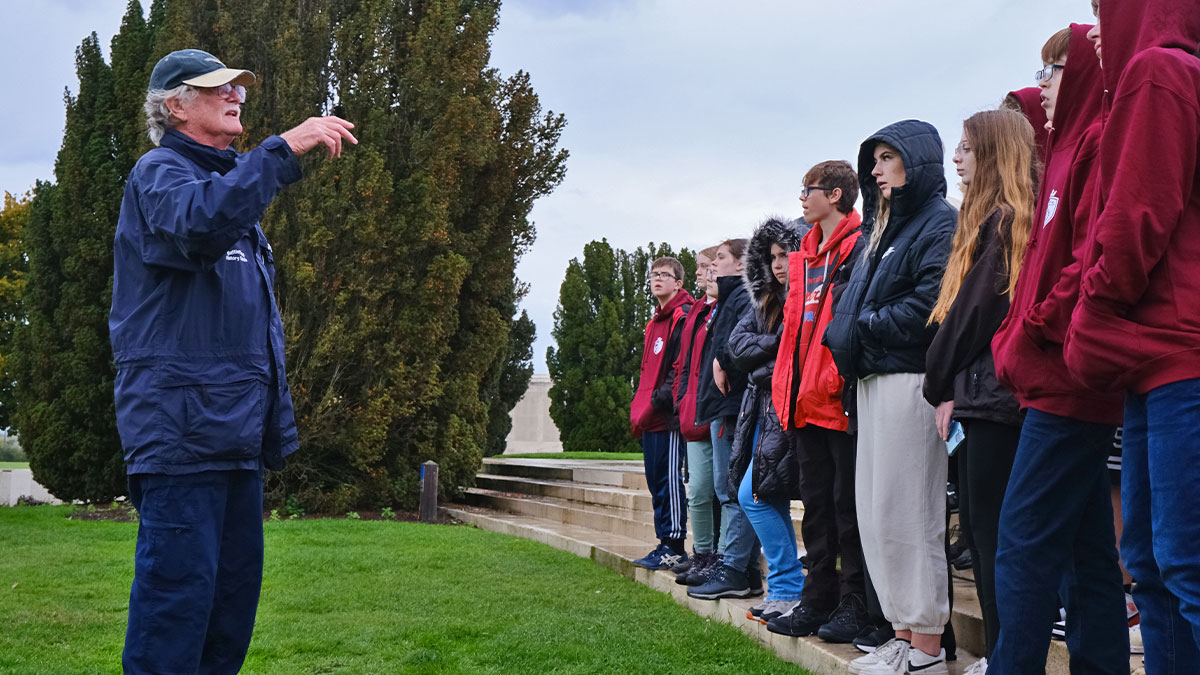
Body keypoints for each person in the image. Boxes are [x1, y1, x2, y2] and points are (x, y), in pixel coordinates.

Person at [111, 49, 357, 673]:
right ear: (175, 106)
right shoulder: (159, 173)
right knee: (175, 611)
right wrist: (282, 149)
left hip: (233, 436)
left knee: (228, 613)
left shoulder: (228, 187)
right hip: (181, 435)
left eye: (239, 86)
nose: (236, 94)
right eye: (217, 87)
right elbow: (199, 224)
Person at [989, 22, 1129, 675]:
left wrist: (1035, 327)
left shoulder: (1098, 142)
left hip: (1068, 377)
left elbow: (1089, 253)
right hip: (1052, 373)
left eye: (1051, 71)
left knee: (1022, 545)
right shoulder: (1069, 151)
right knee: (1086, 551)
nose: (1041, 84)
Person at [1064, 0, 1200, 671]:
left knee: (1185, 562)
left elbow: (1134, 217)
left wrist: (1089, 314)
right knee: (1147, 560)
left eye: (1098, 5)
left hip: (1181, 355)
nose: (1093, 25)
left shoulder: (1158, 72)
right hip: (1154, 360)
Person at [824, 120, 957, 675]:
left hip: (909, 382)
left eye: (886, 158)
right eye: (873, 160)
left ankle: (927, 644)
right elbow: (849, 304)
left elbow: (931, 302)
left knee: (909, 513)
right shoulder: (882, 229)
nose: (875, 170)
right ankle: (901, 633)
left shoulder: (939, 223)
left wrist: (863, 327)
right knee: (877, 514)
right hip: (872, 382)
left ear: (916, 162)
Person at [922, 109, 1039, 673]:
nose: (957, 158)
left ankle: (1006, 656)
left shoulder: (1004, 223)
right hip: (984, 399)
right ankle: (1003, 653)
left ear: (993, 152)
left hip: (993, 403)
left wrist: (937, 382)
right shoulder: (997, 220)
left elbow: (967, 321)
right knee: (987, 535)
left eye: (968, 147)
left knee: (992, 540)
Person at [767, 161, 871, 642]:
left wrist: (827, 384)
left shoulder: (857, 247)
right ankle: (817, 599)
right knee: (816, 510)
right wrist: (786, 390)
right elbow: (794, 334)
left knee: (846, 509)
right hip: (802, 402)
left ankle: (854, 603)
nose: (801, 198)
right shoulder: (802, 257)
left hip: (836, 402)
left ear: (835, 194)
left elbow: (843, 329)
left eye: (808, 190)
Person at [726, 217, 810, 624]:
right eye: (772, 256)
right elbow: (737, 347)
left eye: (786, 254)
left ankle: (789, 587)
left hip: (789, 412)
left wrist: (765, 364)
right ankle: (784, 588)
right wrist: (777, 345)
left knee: (752, 496)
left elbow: (801, 352)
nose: (779, 264)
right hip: (762, 411)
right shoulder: (767, 303)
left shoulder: (808, 297)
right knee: (759, 494)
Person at [689, 238, 765, 600]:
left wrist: (723, 359)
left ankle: (734, 567)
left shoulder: (741, 297)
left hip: (732, 405)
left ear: (740, 263)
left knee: (732, 489)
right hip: (722, 406)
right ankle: (744, 569)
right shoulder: (726, 301)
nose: (712, 266)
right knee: (727, 488)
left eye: (719, 258)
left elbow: (740, 346)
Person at [630, 257, 694, 570]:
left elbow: (678, 370)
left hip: (666, 417)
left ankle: (674, 546)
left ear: (679, 283)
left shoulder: (682, 316)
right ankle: (662, 542)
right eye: (653, 274)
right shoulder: (654, 321)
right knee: (656, 481)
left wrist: (657, 401)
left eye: (665, 275)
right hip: (649, 417)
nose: (657, 279)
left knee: (669, 481)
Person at [673, 246, 722, 581]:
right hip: (694, 409)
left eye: (707, 266)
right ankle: (703, 553)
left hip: (715, 409)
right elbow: (685, 363)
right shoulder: (698, 311)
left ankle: (718, 556)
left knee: (715, 489)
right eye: (701, 268)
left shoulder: (723, 309)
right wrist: (680, 399)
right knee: (699, 489)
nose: (702, 274)